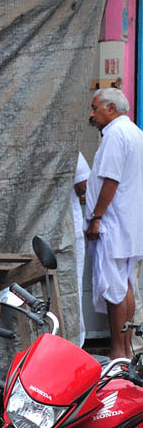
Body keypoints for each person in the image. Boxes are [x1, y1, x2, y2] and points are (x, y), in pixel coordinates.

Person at [85, 87, 143, 359]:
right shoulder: (133, 131)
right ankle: (125, 352)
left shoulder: (116, 135)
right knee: (124, 284)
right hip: (127, 223)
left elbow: (111, 180)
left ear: (110, 108)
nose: (92, 114)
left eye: (95, 108)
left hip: (113, 222)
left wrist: (96, 217)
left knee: (114, 287)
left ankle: (118, 353)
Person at [71, 151, 90, 346]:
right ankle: (75, 342)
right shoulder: (68, 149)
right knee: (72, 289)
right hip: (68, 230)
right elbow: (84, 184)